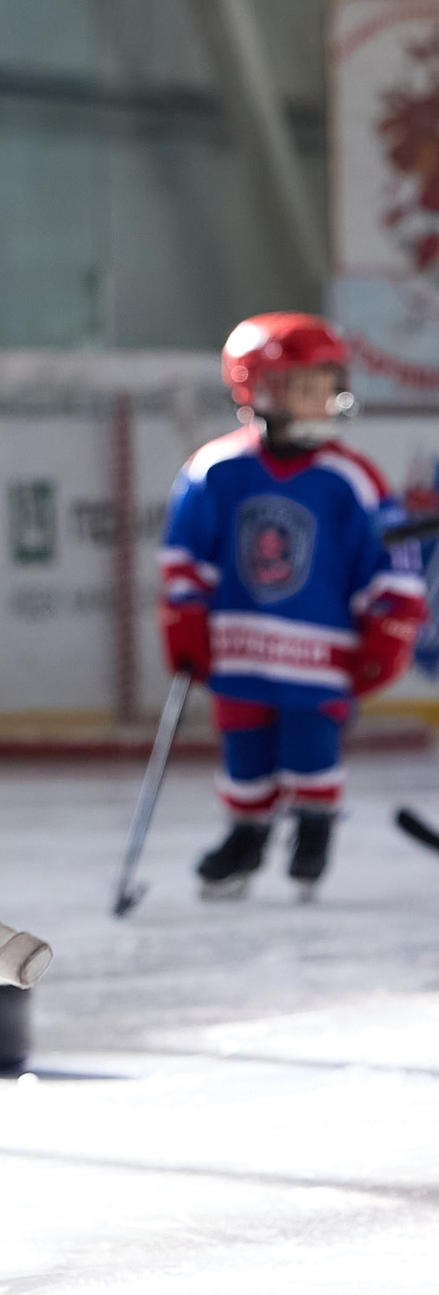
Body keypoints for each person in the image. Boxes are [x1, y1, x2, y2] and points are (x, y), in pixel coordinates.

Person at [158, 313, 427, 898]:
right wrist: (183, 618)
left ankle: (313, 829)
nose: (324, 401)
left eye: (329, 386)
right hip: (240, 653)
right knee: (245, 754)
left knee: (312, 748)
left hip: (322, 655)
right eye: (307, 388)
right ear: (261, 391)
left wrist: (391, 627)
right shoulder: (215, 471)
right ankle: (246, 837)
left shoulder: (350, 478)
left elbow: (390, 564)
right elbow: (185, 556)